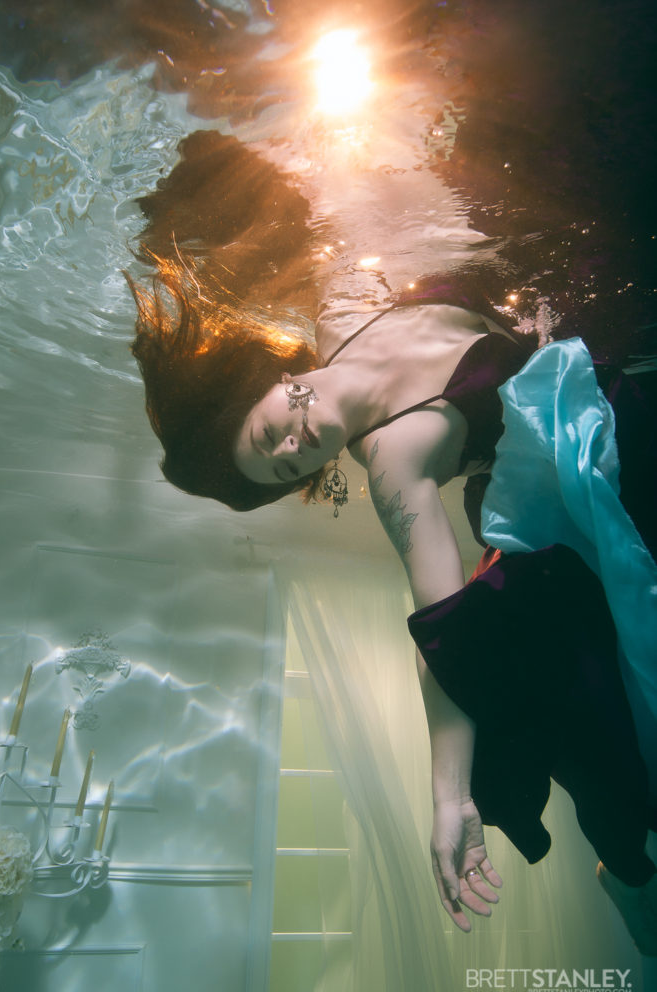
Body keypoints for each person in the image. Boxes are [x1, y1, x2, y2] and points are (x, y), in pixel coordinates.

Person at [127, 255, 657, 954]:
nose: (297, 444)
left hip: (619, 411)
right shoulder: (394, 463)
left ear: (272, 383)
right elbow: (444, 636)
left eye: (270, 433)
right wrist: (449, 798)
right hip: (598, 491)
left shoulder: (341, 312)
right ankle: (626, 872)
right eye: (289, 465)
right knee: (591, 712)